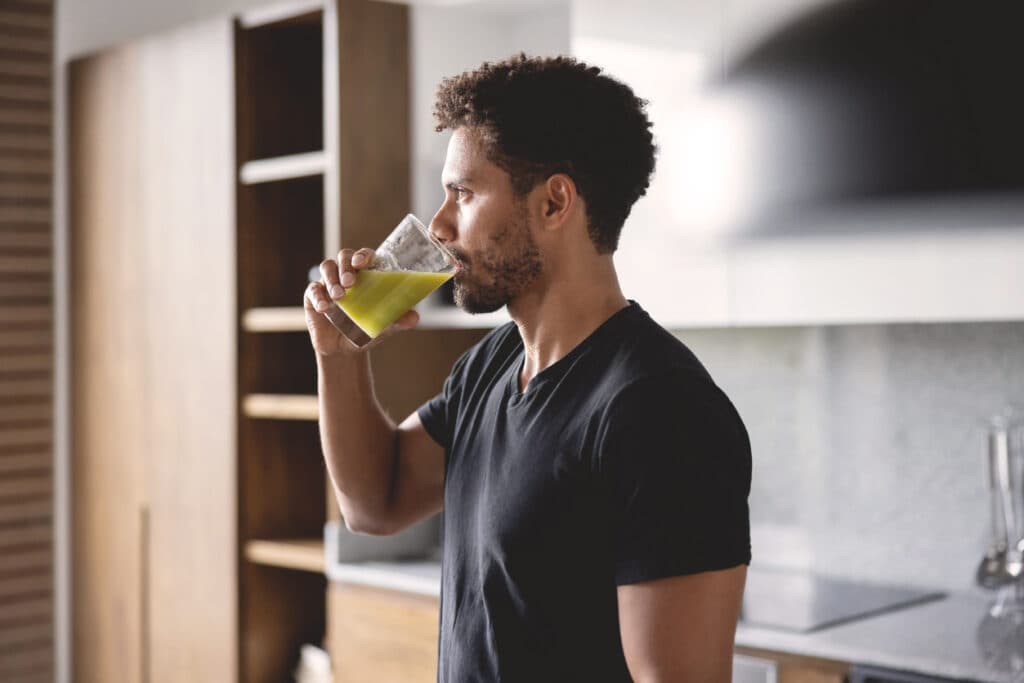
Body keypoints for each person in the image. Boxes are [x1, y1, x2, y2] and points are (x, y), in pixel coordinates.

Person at [304, 54, 751, 683]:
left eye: (462, 192)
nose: (438, 224)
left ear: (554, 203)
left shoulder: (661, 411)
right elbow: (374, 502)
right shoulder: (491, 365)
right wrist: (337, 356)